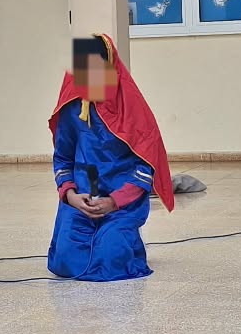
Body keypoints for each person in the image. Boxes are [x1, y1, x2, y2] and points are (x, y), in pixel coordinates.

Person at [48, 35, 175, 282]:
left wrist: (115, 201)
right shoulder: (72, 108)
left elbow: (147, 165)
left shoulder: (132, 109)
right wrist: (71, 196)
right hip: (82, 199)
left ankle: (125, 237)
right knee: (65, 260)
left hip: (122, 201)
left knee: (110, 259)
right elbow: (62, 158)